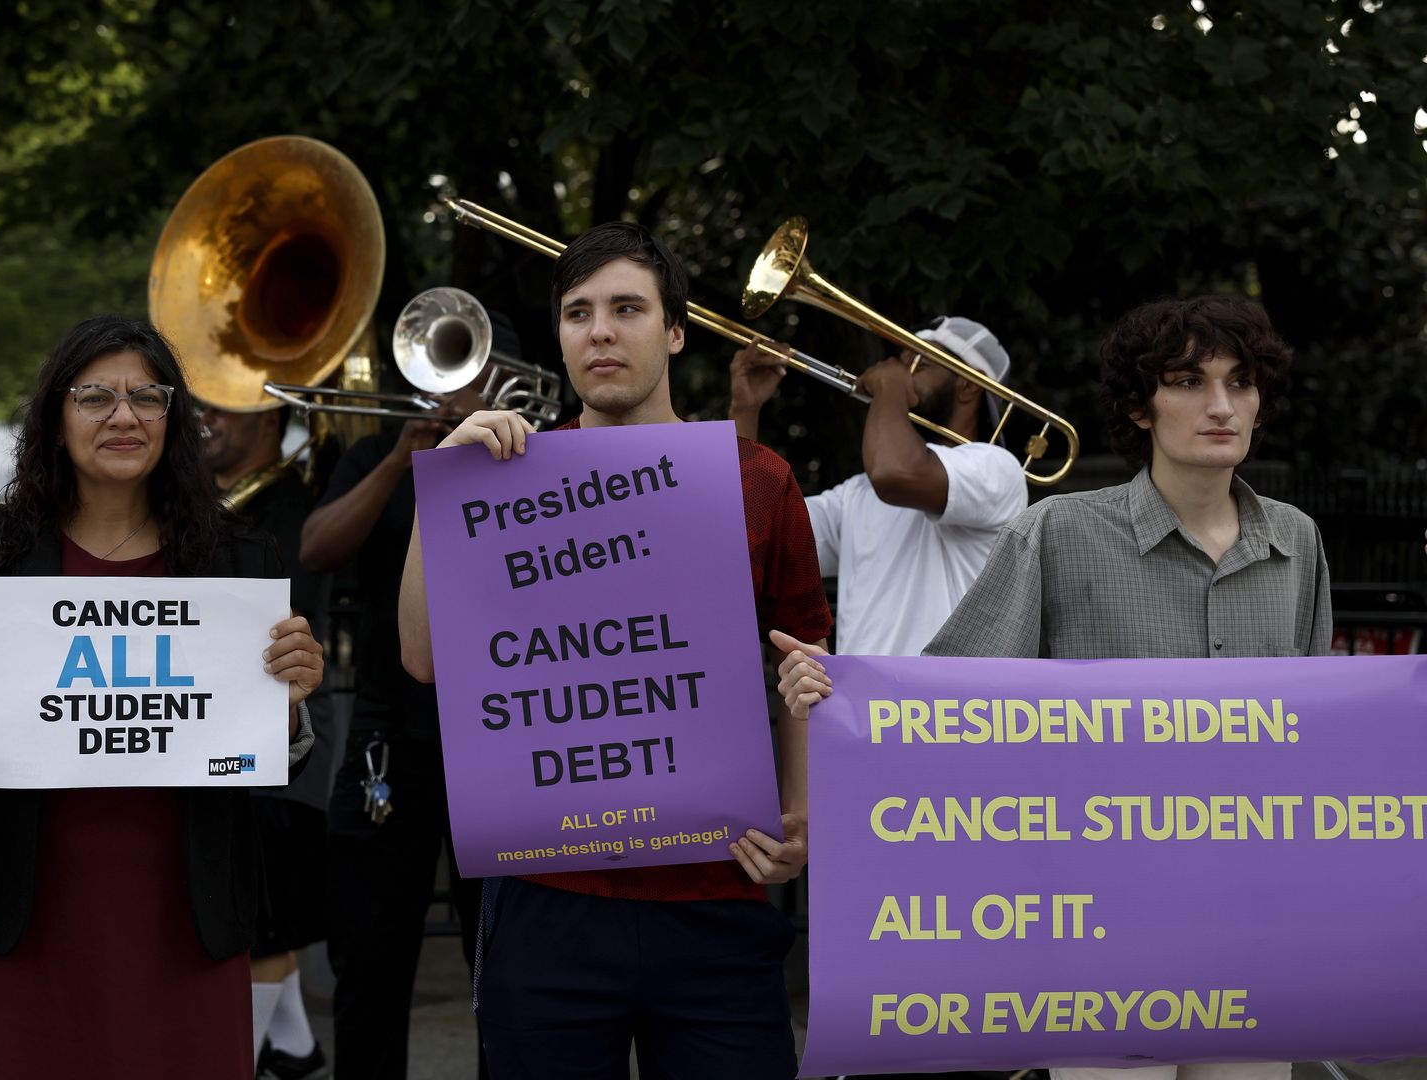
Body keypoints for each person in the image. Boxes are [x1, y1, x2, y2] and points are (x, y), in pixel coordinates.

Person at [776, 294, 1328, 1080]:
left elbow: (1316, 742)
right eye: (1187, 381)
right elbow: (947, 697)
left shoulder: (1297, 544)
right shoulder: (1060, 533)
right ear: (1140, 406)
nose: (1220, 405)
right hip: (1101, 925)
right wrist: (835, 694)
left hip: (1252, 924)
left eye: (1240, 383)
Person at [399, 222, 833, 1078]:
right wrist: (441, 487)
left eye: (627, 308)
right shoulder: (500, 478)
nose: (600, 330)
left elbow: (803, 658)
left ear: (674, 331)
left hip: (718, 894)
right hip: (548, 900)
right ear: (561, 336)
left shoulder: (759, 480)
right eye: (578, 312)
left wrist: (803, 816)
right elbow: (423, 657)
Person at [0, 314, 325, 1078]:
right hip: (21, 919)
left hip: (186, 918)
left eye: (148, 397)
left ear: (174, 420)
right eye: (95, 396)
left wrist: (290, 699)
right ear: (55, 419)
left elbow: (273, 763)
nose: (124, 416)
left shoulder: (240, 556)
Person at [298, 374, 490, 1080]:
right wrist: (400, 461)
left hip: (502, 743)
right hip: (390, 736)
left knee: (503, 968)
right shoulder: (383, 449)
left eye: (473, 376)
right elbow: (316, 549)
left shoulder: (534, 454)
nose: (453, 393)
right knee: (371, 960)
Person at [729, 316, 1027, 655]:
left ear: (969, 386)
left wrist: (890, 387)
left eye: (920, 363)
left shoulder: (998, 467)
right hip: (864, 704)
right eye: (902, 363)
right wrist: (745, 409)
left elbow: (894, 473)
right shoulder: (858, 493)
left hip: (949, 706)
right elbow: (753, 533)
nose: (903, 371)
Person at [197, 401, 331, 1077]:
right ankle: (298, 1049)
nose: (202, 417)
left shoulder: (295, 503)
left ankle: (252, 1060)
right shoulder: (198, 499)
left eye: (222, 407)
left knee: (262, 922)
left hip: (275, 741)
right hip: (216, 734)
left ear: (272, 419)